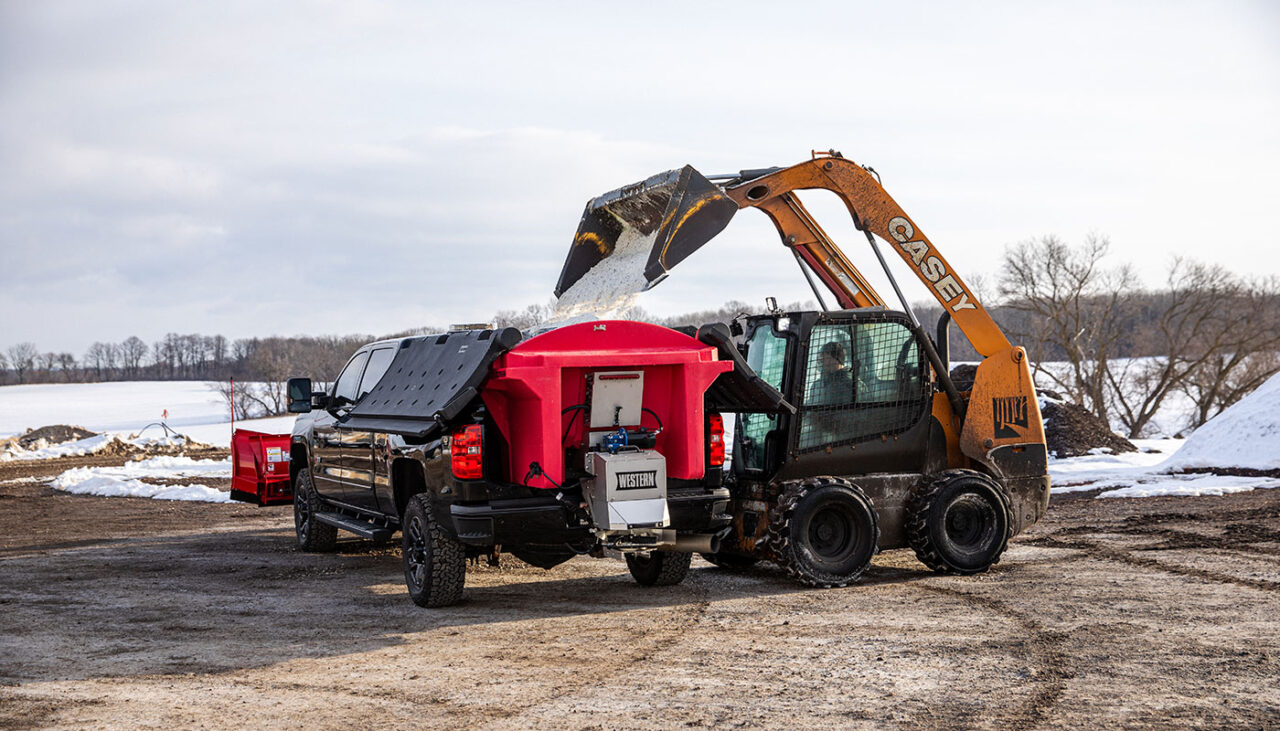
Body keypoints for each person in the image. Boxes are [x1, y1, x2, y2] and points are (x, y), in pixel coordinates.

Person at [811, 341, 855, 406]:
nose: (821, 361)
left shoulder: (851, 384)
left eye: (823, 357)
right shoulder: (818, 385)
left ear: (833, 359)